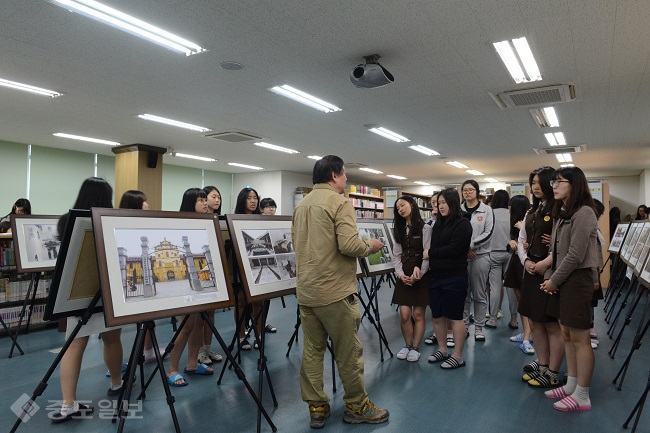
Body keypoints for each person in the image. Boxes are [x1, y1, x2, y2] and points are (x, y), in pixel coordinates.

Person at [292, 155, 388, 428]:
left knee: (312, 350)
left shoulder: (302, 205)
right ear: (334, 175)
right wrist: (370, 244)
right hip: (334, 291)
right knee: (348, 352)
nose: (346, 180)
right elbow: (348, 245)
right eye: (345, 175)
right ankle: (357, 406)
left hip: (307, 291)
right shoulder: (340, 202)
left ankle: (317, 407)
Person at [52, 177, 124, 423]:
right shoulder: (110, 219)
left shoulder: (66, 221)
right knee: (112, 339)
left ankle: (67, 403)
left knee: (74, 345)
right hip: (107, 293)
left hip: (75, 294)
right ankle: (117, 382)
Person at [541, 166, 599, 412]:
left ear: (574, 185)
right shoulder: (563, 211)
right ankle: (571, 384)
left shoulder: (585, 212)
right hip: (564, 280)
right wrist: (550, 276)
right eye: (553, 181)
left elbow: (575, 254)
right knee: (566, 334)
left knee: (580, 338)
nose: (553, 185)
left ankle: (583, 394)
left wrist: (555, 280)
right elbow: (556, 252)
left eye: (559, 181)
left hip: (577, 280)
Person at [518, 167, 564, 388]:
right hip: (531, 269)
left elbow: (566, 245)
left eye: (538, 182)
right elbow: (521, 240)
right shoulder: (532, 211)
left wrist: (548, 258)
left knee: (551, 323)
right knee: (535, 321)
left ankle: (553, 371)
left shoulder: (560, 209)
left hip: (549, 271)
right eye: (532, 182)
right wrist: (525, 259)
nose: (535, 187)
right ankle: (543, 363)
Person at [166, 188, 215, 387]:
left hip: (204, 284)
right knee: (185, 326)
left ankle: (193, 363)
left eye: (205, 199)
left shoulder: (207, 224)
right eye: (200, 200)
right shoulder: (179, 226)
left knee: (198, 324)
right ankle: (172, 369)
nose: (205, 203)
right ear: (190, 203)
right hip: (186, 284)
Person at [424, 188, 473, 368]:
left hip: (455, 276)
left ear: (453, 203)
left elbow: (455, 249)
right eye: (438, 203)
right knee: (437, 316)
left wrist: (430, 253)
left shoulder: (463, 224)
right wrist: (432, 255)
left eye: (443, 203)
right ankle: (443, 349)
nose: (440, 206)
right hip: (436, 276)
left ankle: (458, 355)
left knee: (454, 317)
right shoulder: (438, 224)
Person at [391, 196, 431, 362]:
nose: (400, 209)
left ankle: (415, 347)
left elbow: (427, 254)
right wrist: (401, 275)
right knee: (405, 314)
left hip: (420, 275)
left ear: (412, 206)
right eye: (398, 208)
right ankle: (407, 345)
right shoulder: (399, 229)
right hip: (404, 276)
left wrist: (418, 276)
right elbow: (396, 255)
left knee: (419, 314)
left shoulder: (425, 228)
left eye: (403, 205)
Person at [461, 180, 494, 342]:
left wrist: (471, 245)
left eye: (471, 190)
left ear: (477, 191)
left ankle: (479, 327)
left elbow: (488, 232)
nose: (467, 193)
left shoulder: (486, 210)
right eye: (465, 190)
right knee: (464, 293)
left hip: (481, 256)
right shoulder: (458, 210)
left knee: (479, 293)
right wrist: (465, 249)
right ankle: (465, 325)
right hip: (461, 257)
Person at [199, 185, 224, 364]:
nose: (217, 200)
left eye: (219, 197)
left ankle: (207, 349)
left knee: (211, 313)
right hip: (201, 270)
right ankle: (198, 352)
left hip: (217, 271)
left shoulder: (219, 221)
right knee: (199, 316)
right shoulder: (198, 220)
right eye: (213, 197)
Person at [503, 195, 532, 341]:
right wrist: (512, 241)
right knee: (520, 300)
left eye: (510, 206)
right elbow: (512, 240)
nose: (509, 209)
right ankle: (527, 332)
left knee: (528, 301)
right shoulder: (513, 223)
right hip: (516, 261)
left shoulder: (528, 221)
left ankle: (530, 334)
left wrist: (524, 231)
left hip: (527, 263)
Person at [485, 190, 510, 329]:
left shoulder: (489, 213)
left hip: (493, 252)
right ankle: (514, 319)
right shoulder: (511, 214)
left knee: (495, 286)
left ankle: (493, 318)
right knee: (511, 288)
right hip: (510, 252)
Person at [424, 191, 440, 346]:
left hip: (443, 264)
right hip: (429, 264)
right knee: (435, 304)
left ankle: (450, 332)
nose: (435, 205)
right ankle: (437, 332)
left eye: (439, 202)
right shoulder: (428, 221)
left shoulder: (448, 221)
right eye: (433, 202)